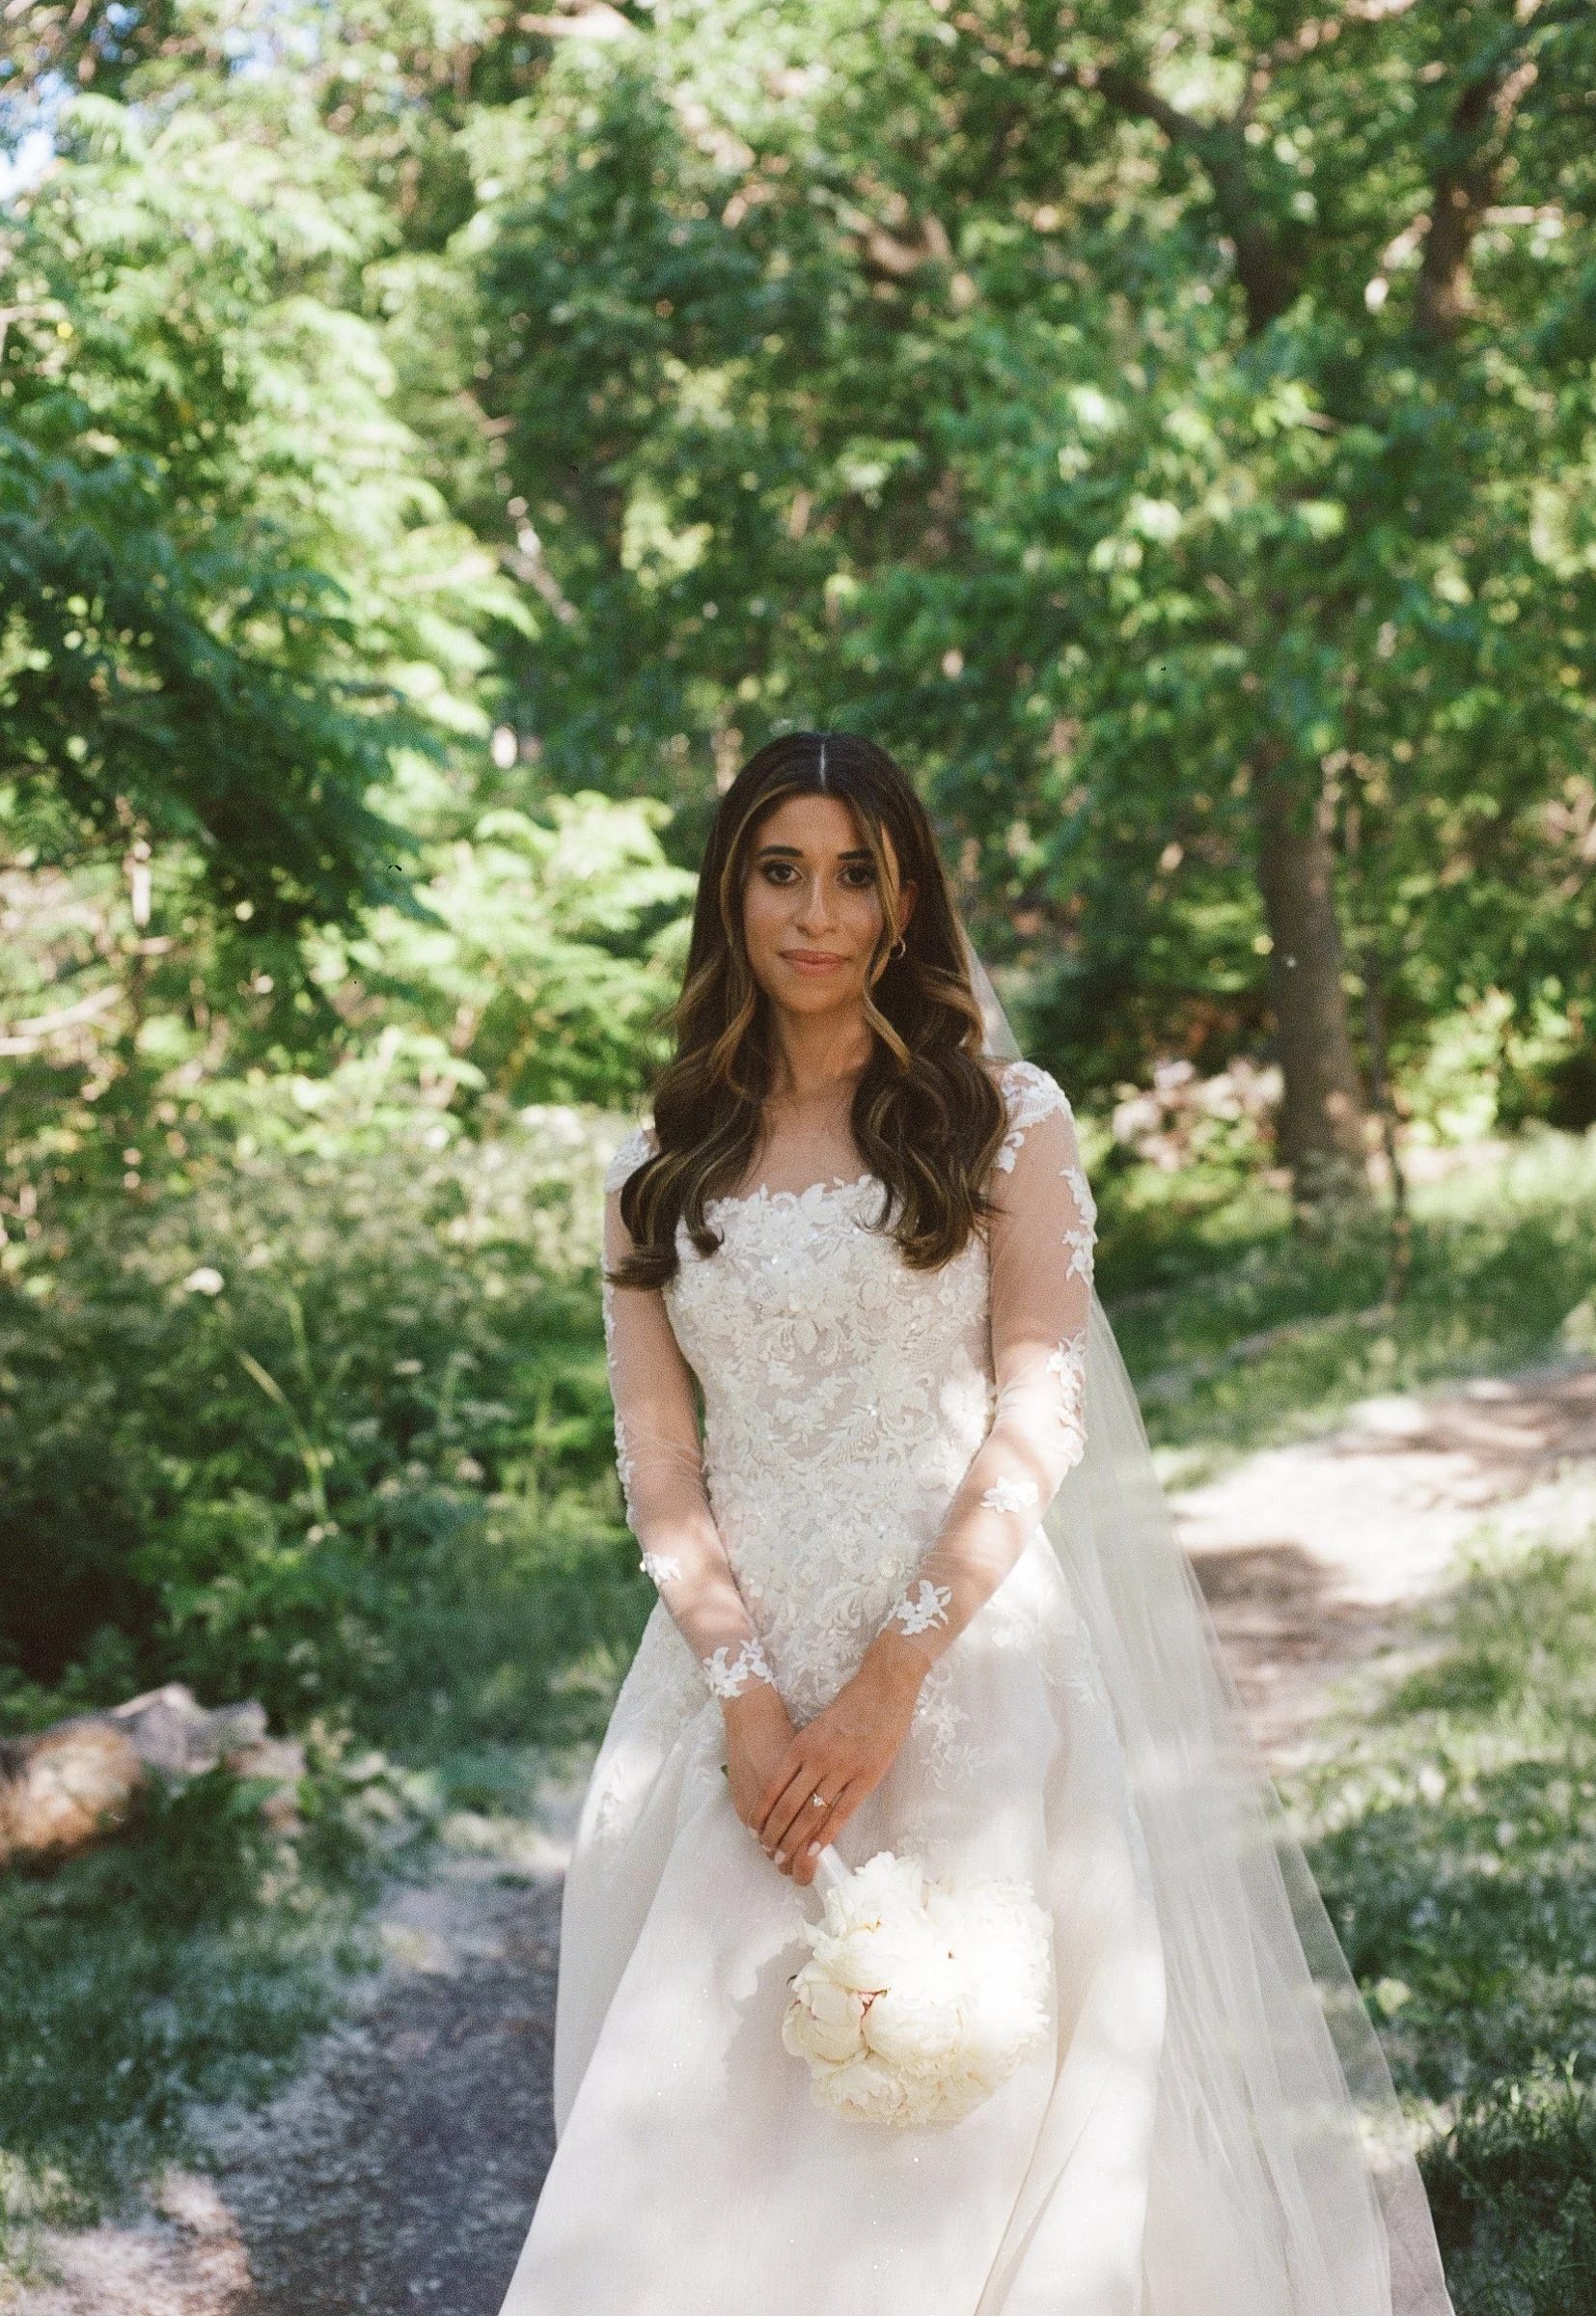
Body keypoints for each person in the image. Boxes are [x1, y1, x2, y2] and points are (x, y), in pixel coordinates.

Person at [499, 732, 1453, 2316]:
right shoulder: (657, 1173)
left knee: (971, 2114)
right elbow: (662, 1467)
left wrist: (892, 1682)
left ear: (907, 895)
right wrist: (747, 1700)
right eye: (780, 870)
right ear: (730, 895)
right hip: (733, 1689)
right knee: (715, 2109)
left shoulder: (1002, 1123)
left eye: (857, 873)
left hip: (966, 1673)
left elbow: (1035, 1414)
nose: (818, 913)